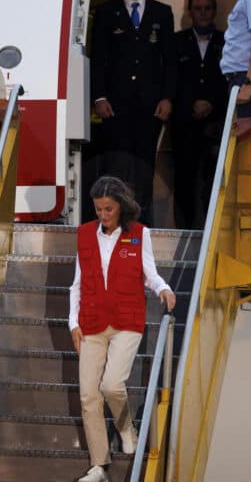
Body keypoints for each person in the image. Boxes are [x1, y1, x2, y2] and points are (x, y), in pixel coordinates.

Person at [69, 176, 177, 482]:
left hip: (127, 321)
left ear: (121, 207)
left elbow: (150, 274)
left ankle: (127, 427)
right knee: (89, 395)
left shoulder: (140, 234)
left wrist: (164, 290)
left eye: (108, 209)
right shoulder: (85, 234)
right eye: (98, 209)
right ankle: (98, 466)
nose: (103, 215)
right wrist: (73, 323)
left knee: (111, 385)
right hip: (91, 322)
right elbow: (76, 285)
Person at [90, 0, 178, 226]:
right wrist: (99, 97)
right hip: (115, 106)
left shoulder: (162, 13)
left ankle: (143, 225)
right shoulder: (105, 13)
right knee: (116, 167)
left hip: (150, 106)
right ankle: (114, 224)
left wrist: (168, 98)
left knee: (144, 168)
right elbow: (97, 60)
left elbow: (171, 62)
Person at [173, 0, 227, 228]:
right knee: (184, 181)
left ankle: (211, 231)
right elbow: (172, 80)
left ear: (214, 12)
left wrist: (211, 104)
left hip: (216, 124)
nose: (203, 13)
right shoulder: (177, 41)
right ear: (190, 12)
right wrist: (191, 104)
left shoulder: (227, 41)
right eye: (198, 8)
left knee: (213, 182)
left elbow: (229, 80)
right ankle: (184, 231)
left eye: (208, 8)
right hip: (184, 123)